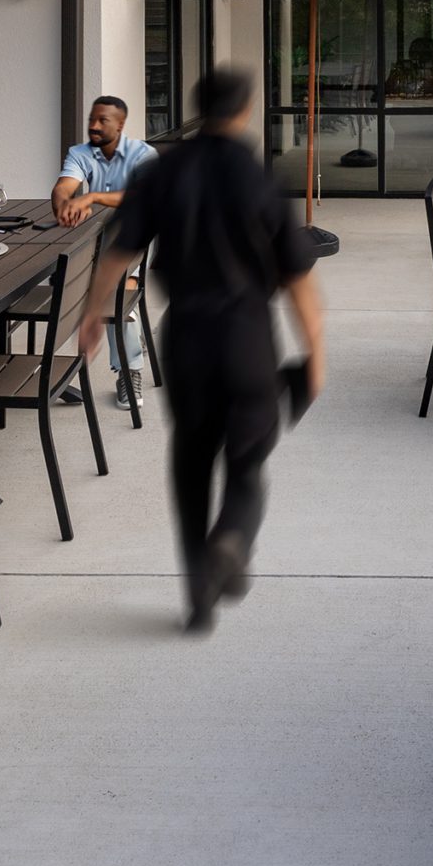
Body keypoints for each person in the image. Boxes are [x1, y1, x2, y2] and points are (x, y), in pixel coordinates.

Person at [81, 68, 323, 634]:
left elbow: (119, 251)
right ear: (244, 111)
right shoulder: (257, 179)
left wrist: (93, 315)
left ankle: (198, 598)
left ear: (198, 109)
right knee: (247, 460)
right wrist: (316, 350)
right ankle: (231, 538)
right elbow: (297, 277)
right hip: (247, 339)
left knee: (191, 464)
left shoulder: (161, 173)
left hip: (187, 336)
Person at [54, 95, 157, 406]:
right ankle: (49, 375)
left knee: (117, 292)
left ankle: (129, 371)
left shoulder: (143, 154)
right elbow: (63, 187)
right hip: (96, 242)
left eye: (103, 120)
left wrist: (92, 197)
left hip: (135, 240)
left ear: (120, 125)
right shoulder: (80, 153)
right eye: (92, 119)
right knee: (65, 285)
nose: (94, 126)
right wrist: (65, 205)